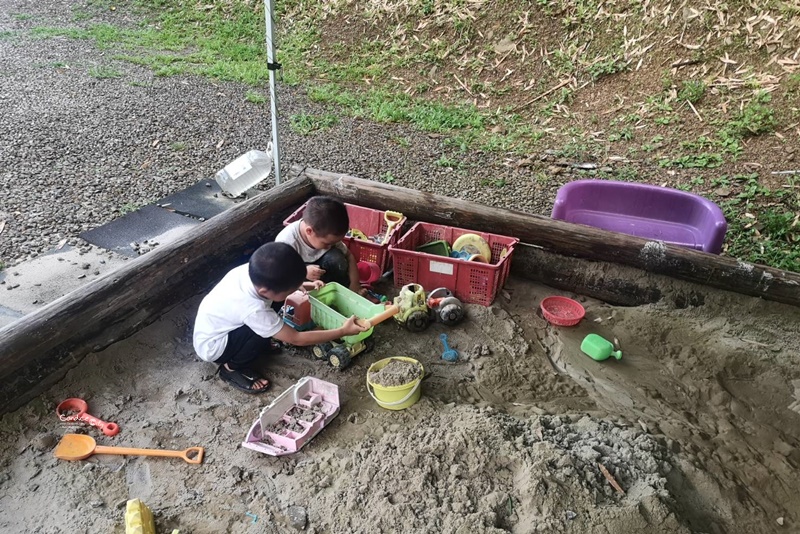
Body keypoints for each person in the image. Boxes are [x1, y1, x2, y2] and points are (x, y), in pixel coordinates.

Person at [192, 242, 368, 394]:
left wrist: (305, 284)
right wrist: (343, 330)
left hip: (224, 323)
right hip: (215, 346)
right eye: (290, 289)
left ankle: (262, 341)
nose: (294, 291)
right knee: (262, 331)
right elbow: (296, 339)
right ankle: (231, 368)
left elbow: (281, 286)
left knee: (272, 316)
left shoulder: (253, 272)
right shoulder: (253, 309)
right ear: (265, 292)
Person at [275, 195, 362, 293]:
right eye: (327, 243)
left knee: (336, 259)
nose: (330, 246)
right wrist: (303, 272)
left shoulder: (325, 232)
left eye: (334, 243)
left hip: (321, 272)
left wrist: (354, 284)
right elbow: (279, 275)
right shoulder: (286, 242)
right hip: (299, 279)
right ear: (309, 231)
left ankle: (339, 291)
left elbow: (349, 256)